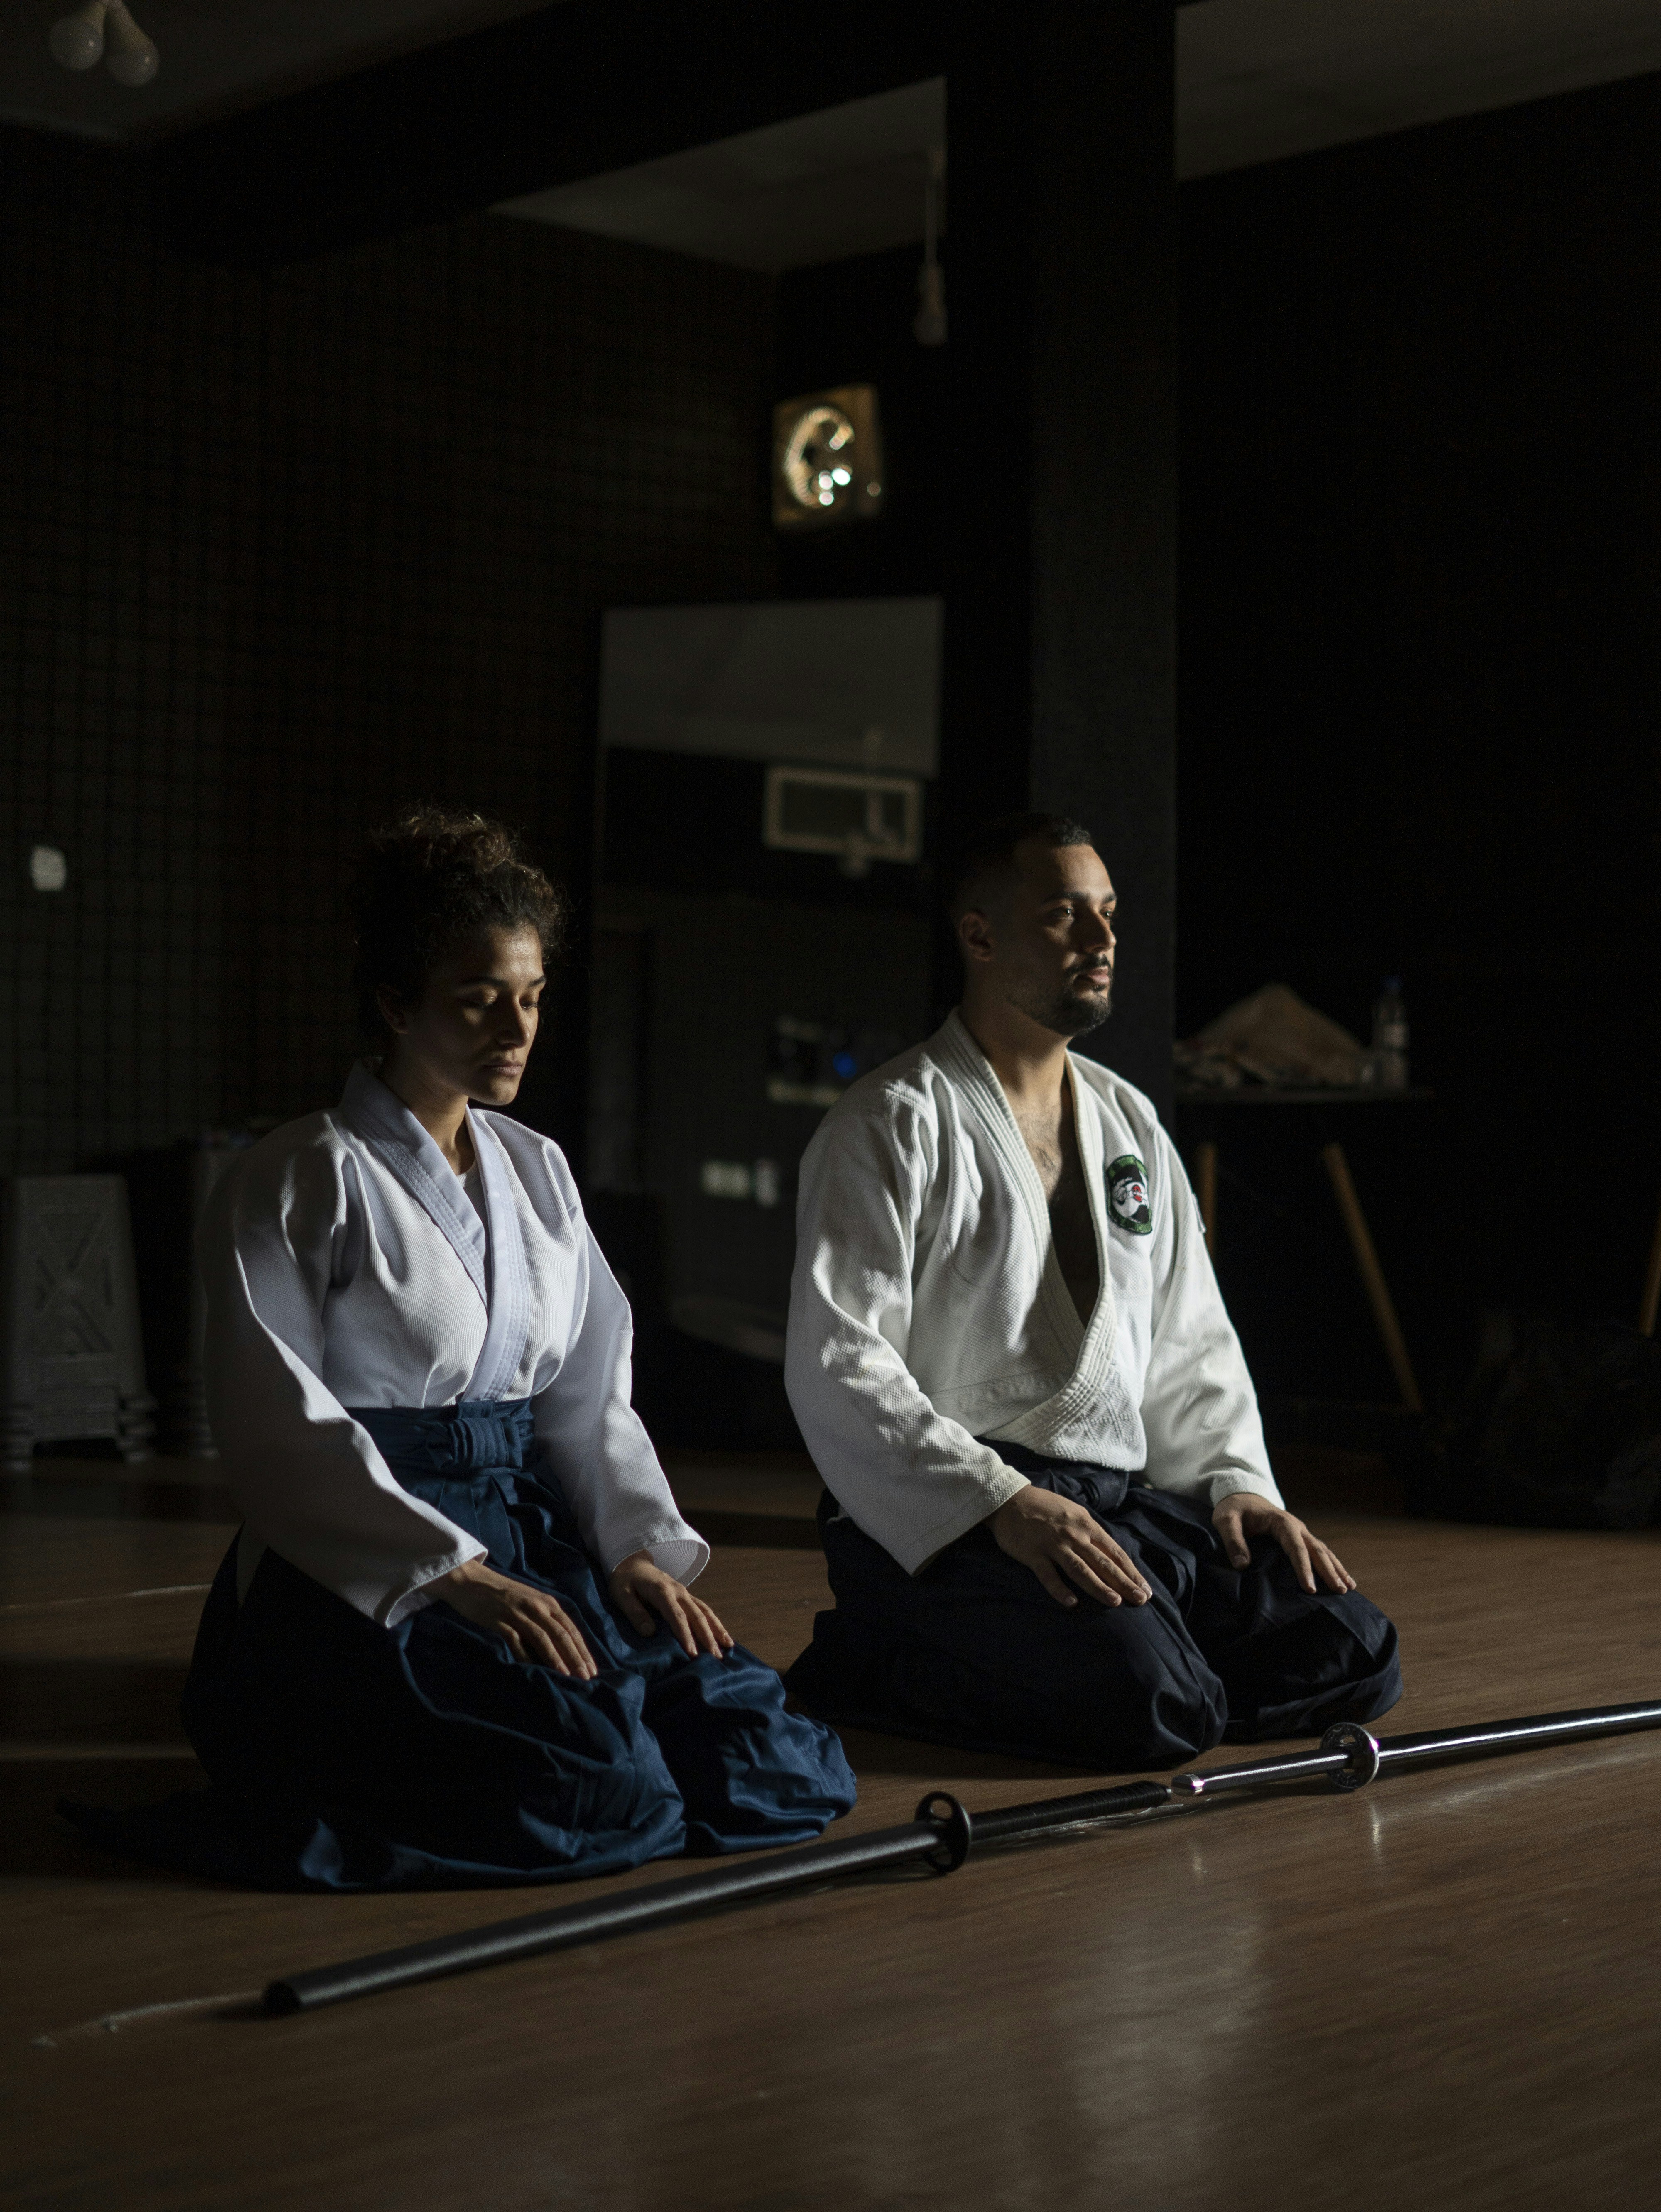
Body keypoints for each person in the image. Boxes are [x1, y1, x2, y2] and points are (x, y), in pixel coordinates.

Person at [71, 808, 854, 1888]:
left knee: (763, 1751)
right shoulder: (300, 1174)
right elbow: (274, 1426)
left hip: (533, 1527)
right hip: (367, 1560)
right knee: (602, 1783)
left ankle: (620, 1736)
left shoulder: (538, 1172)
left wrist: (631, 1549)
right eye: (481, 997)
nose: (516, 1028)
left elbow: (587, 1398)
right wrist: (454, 1574)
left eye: (531, 997)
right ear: (397, 1003)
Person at [782, 812, 1401, 1769]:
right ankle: (872, 1655)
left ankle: (1136, 1661)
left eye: (1107, 911)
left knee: (1352, 1649)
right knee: (1156, 1702)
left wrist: (1235, 1485)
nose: (1102, 938)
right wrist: (996, 1500)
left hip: (1111, 1507)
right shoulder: (890, 1123)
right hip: (955, 1515)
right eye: (1063, 915)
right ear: (980, 936)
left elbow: (1190, 1339)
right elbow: (839, 1361)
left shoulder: (1128, 1123)